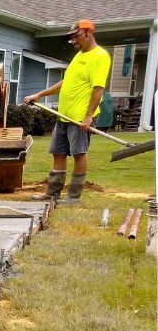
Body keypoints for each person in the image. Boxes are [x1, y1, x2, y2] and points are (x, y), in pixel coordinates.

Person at [24, 19, 111, 204]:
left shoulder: (100, 56)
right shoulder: (79, 56)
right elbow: (66, 83)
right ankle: (52, 193)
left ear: (89, 32)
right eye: (71, 39)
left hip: (79, 118)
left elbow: (98, 89)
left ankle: (73, 196)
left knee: (79, 153)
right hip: (63, 116)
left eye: (76, 37)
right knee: (58, 153)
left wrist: (88, 117)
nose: (74, 41)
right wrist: (40, 94)